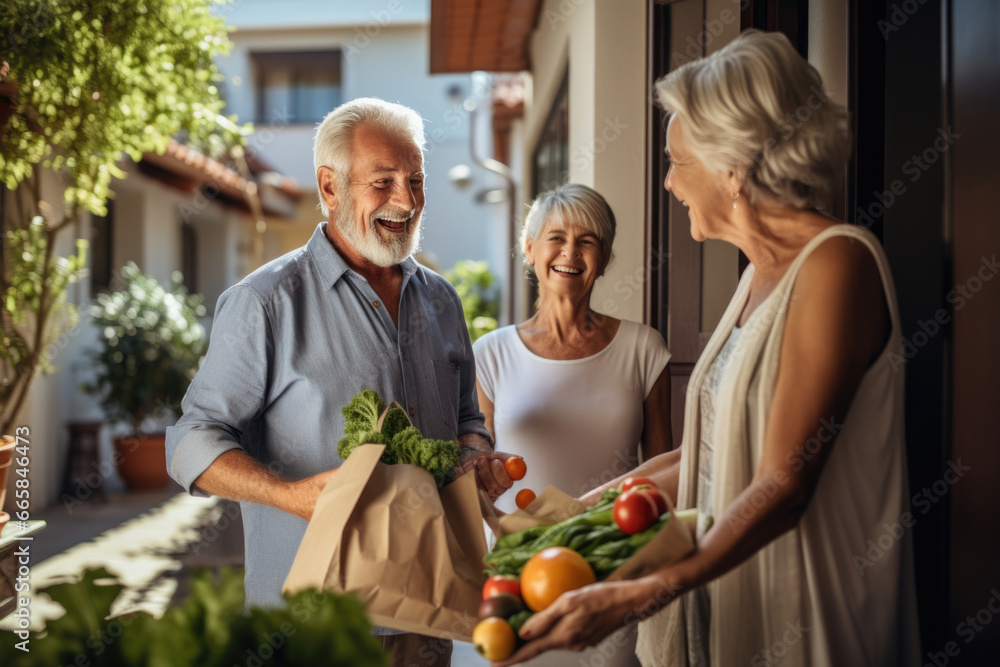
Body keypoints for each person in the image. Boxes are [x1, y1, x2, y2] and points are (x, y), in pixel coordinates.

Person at [493, 30, 920, 667]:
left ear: (733, 165)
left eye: (676, 160)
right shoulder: (756, 275)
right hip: (732, 599)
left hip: (810, 613)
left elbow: (783, 481)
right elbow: (715, 448)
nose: (668, 183)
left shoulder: (836, 264)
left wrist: (638, 595)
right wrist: (579, 513)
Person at [165, 97, 513, 667]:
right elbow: (189, 442)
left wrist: (475, 459)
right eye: (383, 182)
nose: (405, 201)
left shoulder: (442, 301)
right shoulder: (265, 302)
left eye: (416, 181)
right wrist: (289, 496)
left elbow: (467, 421)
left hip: (428, 615)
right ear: (330, 188)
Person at [474, 183, 674, 666]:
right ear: (530, 248)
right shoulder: (491, 354)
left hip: (610, 562)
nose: (570, 252)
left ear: (604, 259)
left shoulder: (643, 349)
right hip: (518, 561)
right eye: (555, 237)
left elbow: (665, 468)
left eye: (587, 241)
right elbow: (476, 472)